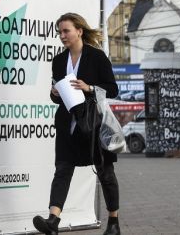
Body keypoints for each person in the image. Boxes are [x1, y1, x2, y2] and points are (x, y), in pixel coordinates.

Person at [33, 13, 120, 235]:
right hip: (67, 125)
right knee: (62, 170)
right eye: (60, 32)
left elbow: (113, 89)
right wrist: (54, 92)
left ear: (79, 31)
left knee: (105, 173)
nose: (62, 36)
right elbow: (57, 97)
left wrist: (89, 87)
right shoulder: (59, 61)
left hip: (94, 125)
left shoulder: (97, 57)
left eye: (66, 31)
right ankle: (53, 221)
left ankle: (113, 222)